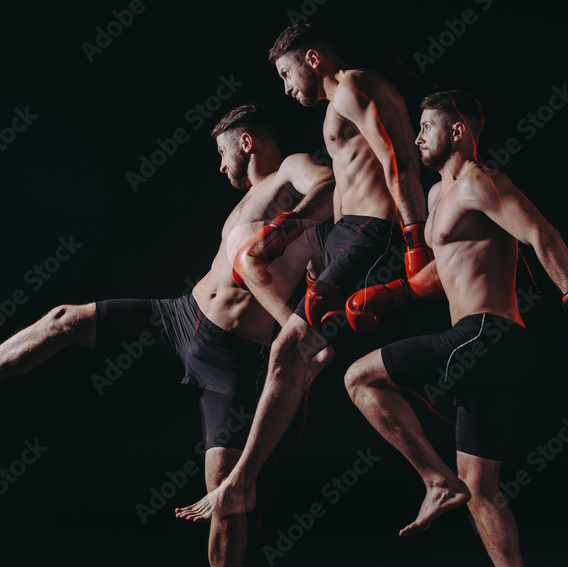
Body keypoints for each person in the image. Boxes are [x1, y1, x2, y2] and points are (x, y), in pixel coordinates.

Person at [0, 104, 335, 567]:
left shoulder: (291, 170)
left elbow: (325, 185)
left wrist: (298, 258)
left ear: (246, 142)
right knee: (63, 319)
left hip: (232, 357)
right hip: (183, 316)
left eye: (221, 152)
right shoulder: (242, 205)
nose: (219, 165)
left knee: (225, 489)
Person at [343, 90, 568, 567]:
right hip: (484, 345)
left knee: (359, 378)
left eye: (428, 125)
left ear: (458, 131)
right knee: (483, 490)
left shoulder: (479, 181)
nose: (419, 134)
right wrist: (391, 293)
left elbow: (541, 234)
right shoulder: (438, 195)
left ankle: (433, 480)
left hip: (485, 335)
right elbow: (441, 273)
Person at [176, 22, 430, 523]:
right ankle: (437, 479)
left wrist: (414, 236)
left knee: (288, 352)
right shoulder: (344, 101)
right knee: (330, 368)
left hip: (367, 231)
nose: (287, 88)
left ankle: (239, 486)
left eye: (288, 73)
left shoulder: (355, 86)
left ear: (313, 59)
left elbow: (398, 162)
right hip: (348, 234)